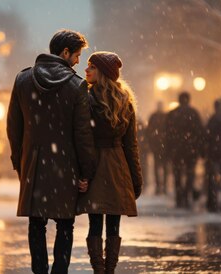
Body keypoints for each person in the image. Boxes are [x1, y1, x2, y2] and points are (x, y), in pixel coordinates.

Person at [6, 29, 96, 274]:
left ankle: (39, 271)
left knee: (36, 224)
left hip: (33, 166)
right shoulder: (77, 87)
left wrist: (19, 161)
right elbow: (83, 134)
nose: (78, 61)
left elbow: (14, 127)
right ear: (65, 52)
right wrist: (86, 170)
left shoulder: (22, 80)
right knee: (65, 224)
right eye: (76, 55)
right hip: (66, 166)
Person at [77, 51, 142, 274]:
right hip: (116, 165)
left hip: (94, 164)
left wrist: (81, 171)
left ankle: (99, 270)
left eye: (92, 67)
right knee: (113, 223)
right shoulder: (125, 101)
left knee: (96, 222)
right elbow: (131, 145)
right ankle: (109, 270)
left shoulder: (84, 99)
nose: (86, 70)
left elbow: (81, 138)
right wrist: (135, 178)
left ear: (103, 73)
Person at [165, 92, 204, 208]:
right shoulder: (194, 113)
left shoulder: (172, 114)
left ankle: (179, 198)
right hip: (191, 150)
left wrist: (168, 151)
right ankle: (187, 196)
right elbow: (200, 133)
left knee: (177, 174)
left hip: (176, 150)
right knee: (190, 173)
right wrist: (200, 150)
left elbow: (167, 135)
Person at [146, 101, 168, 195]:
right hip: (163, 146)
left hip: (157, 146)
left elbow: (148, 131)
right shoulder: (165, 116)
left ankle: (159, 186)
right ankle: (163, 186)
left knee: (158, 167)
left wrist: (151, 143)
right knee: (164, 166)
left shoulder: (153, 116)